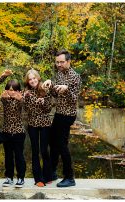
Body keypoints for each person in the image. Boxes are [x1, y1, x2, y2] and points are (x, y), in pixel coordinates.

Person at [42, 50, 81, 187]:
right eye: (57, 62)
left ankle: (70, 177)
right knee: (53, 142)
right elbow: (55, 94)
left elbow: (75, 99)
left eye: (61, 62)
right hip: (59, 113)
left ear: (68, 61)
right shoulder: (58, 74)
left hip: (68, 114)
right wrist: (50, 84)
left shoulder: (75, 76)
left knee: (61, 144)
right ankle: (52, 172)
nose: (58, 64)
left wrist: (67, 90)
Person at [24, 69, 53, 187]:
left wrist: (44, 102)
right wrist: (30, 100)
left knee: (44, 150)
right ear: (27, 81)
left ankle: (48, 175)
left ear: (38, 78)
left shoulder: (45, 89)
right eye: (30, 79)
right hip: (32, 124)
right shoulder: (26, 92)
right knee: (35, 151)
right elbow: (27, 110)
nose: (32, 81)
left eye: (34, 78)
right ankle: (38, 179)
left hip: (45, 123)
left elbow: (48, 108)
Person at [1, 80, 26, 188]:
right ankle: (9, 177)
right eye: (10, 90)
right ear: (6, 90)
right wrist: (5, 95)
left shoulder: (21, 100)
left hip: (18, 132)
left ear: (19, 91)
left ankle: (20, 178)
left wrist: (21, 98)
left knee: (19, 156)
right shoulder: (4, 100)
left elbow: (24, 104)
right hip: (6, 132)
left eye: (15, 90)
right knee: (8, 156)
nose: (12, 92)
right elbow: (2, 98)